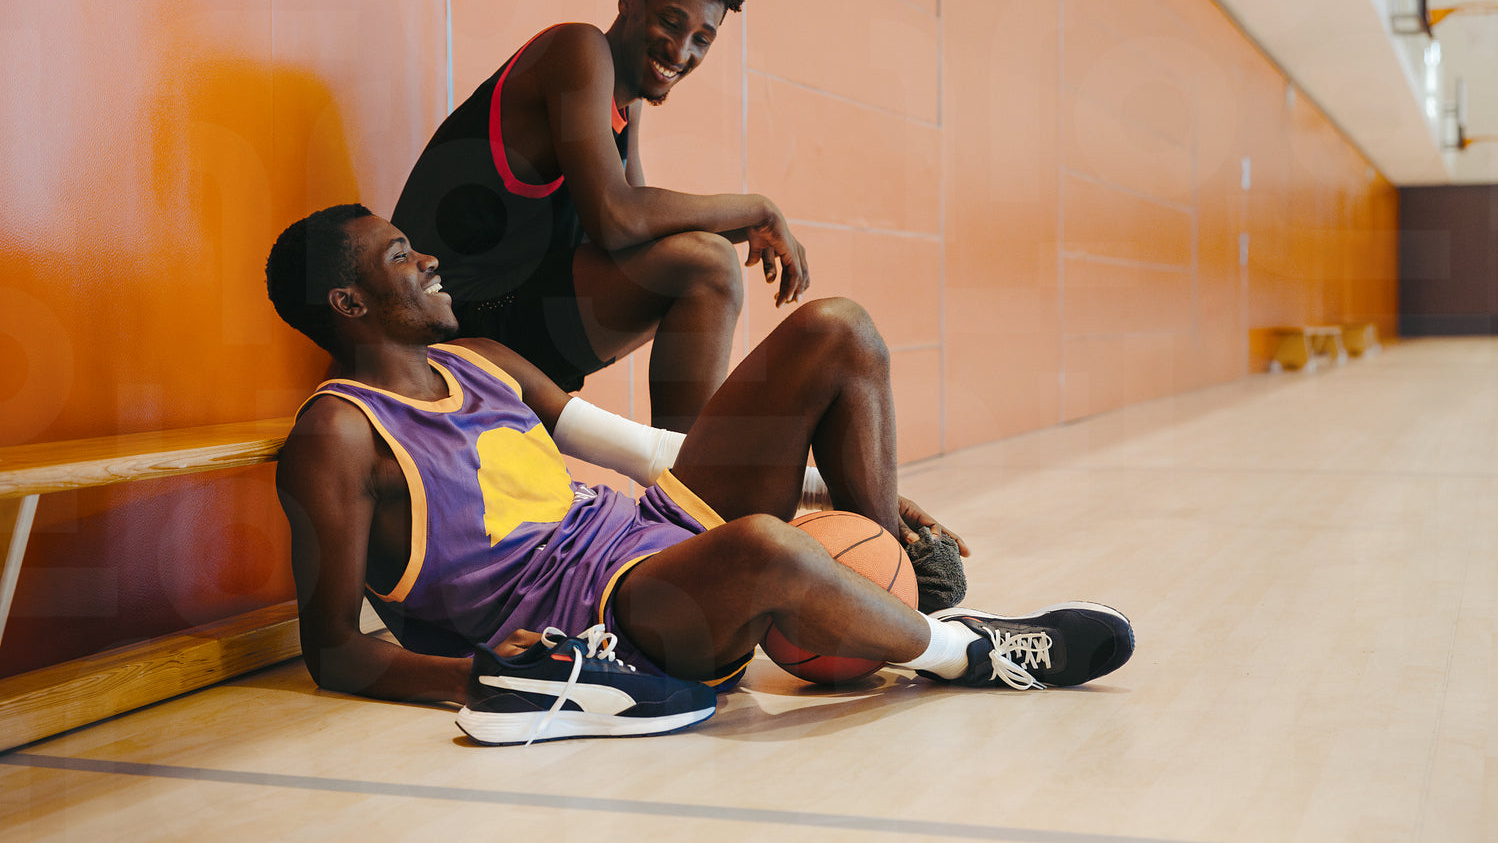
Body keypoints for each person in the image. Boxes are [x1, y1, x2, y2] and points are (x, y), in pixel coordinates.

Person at [266, 205, 1134, 746]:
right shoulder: (338, 436)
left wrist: (822, 492)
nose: (427, 261)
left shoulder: (483, 359)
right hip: (606, 621)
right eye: (400, 256)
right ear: (349, 304)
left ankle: (887, 604)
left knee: (838, 329)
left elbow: (647, 453)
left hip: (647, 527)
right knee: (765, 548)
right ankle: (967, 653)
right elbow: (332, 650)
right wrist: (496, 674)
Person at [391, 0, 808, 432]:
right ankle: (692, 475)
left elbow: (638, 235)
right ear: (630, 1)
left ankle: (687, 468)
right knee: (708, 264)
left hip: (504, 311)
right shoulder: (577, 49)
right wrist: (758, 208)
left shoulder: (625, 103)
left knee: (699, 257)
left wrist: (746, 228)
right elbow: (616, 219)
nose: (681, 50)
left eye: (702, 39)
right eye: (671, 22)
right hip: (445, 318)